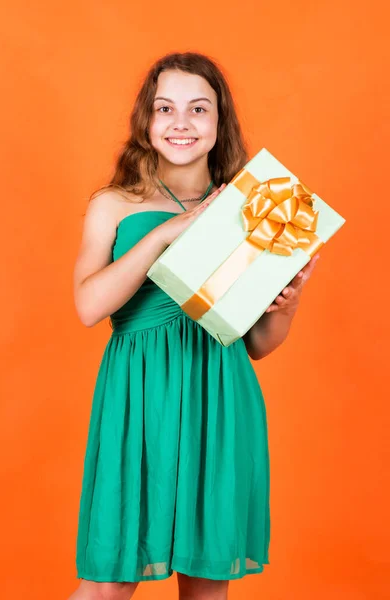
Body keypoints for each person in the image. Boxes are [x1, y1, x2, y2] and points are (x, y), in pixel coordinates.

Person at [68, 52, 319, 600]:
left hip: (220, 398)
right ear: (147, 120)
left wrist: (287, 305)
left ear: (218, 122)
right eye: (166, 108)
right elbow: (89, 307)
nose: (181, 123)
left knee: (207, 587)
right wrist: (164, 235)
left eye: (197, 109)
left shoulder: (254, 211)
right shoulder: (114, 205)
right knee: (106, 584)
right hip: (137, 399)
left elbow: (257, 345)